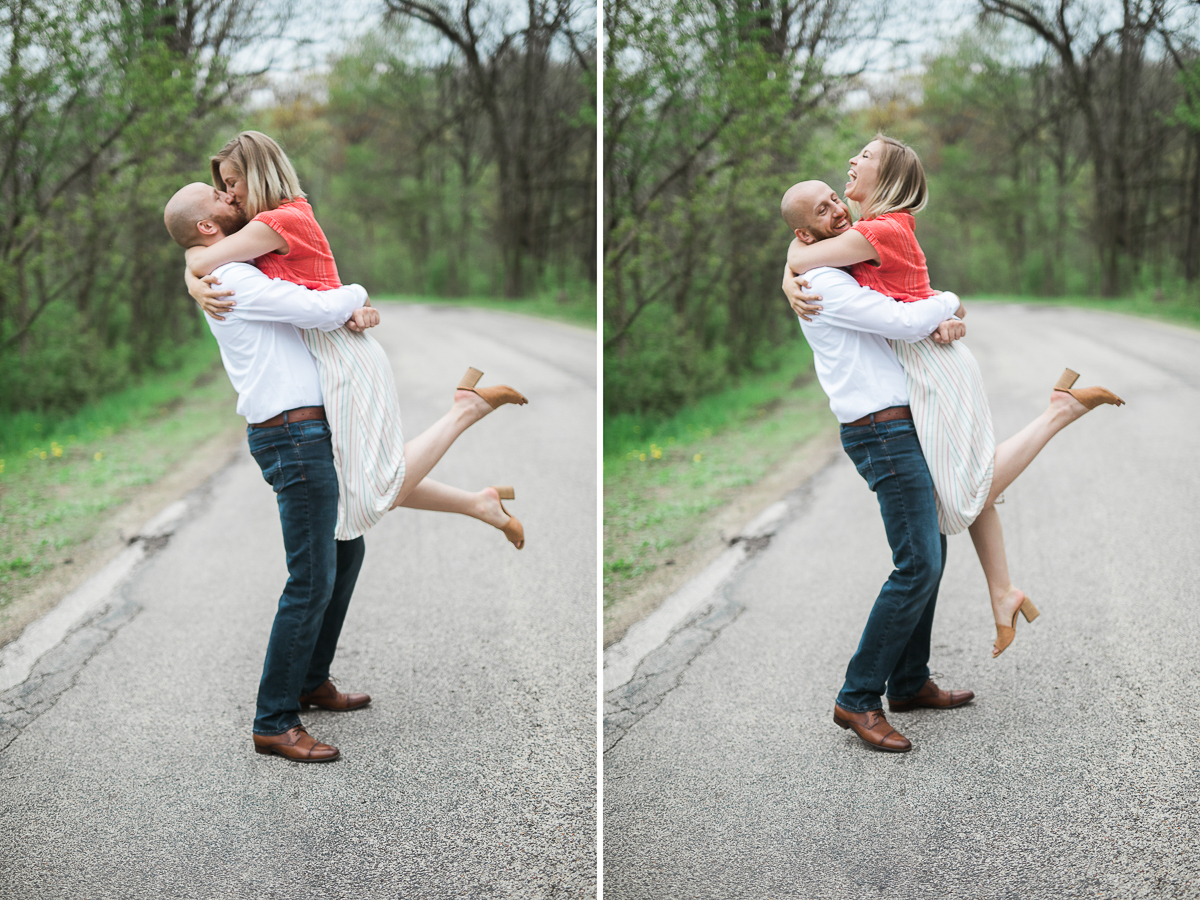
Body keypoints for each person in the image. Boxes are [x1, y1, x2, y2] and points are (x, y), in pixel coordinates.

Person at [780, 137, 1123, 659]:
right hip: (927, 363)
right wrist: (792, 271)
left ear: (887, 178)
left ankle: (1060, 411)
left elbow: (804, 255)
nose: (851, 162)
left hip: (931, 367)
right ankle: (1002, 592)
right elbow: (804, 250)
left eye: (864, 158)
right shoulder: (872, 231)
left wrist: (946, 302)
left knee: (968, 482)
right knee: (958, 485)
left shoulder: (877, 229)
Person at [183, 131, 526, 549]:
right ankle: (480, 502)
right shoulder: (275, 220)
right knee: (360, 477)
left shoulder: (275, 222)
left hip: (340, 351)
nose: (229, 196)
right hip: (333, 347)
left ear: (260, 174)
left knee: (378, 485)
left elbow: (201, 254)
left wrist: (193, 280)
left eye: (232, 183)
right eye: (222, 188)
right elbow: (200, 248)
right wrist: (193, 276)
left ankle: (464, 411)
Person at [164, 182, 381, 761]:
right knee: (310, 575)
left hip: (307, 427)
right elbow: (317, 306)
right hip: (290, 433)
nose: (225, 193)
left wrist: (348, 311)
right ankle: (273, 720)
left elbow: (311, 311)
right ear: (207, 228)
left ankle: (310, 680)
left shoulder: (228, 265)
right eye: (215, 194)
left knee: (347, 551)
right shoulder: (231, 279)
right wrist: (354, 291)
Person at [772, 181, 973, 752]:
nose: (838, 207)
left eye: (836, 196)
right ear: (804, 234)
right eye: (822, 210)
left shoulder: (839, 265)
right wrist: (951, 300)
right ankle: (857, 697)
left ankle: (908, 682)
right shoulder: (822, 283)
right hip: (879, 431)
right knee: (916, 562)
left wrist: (942, 315)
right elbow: (906, 321)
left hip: (899, 423)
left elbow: (909, 304)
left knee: (932, 545)